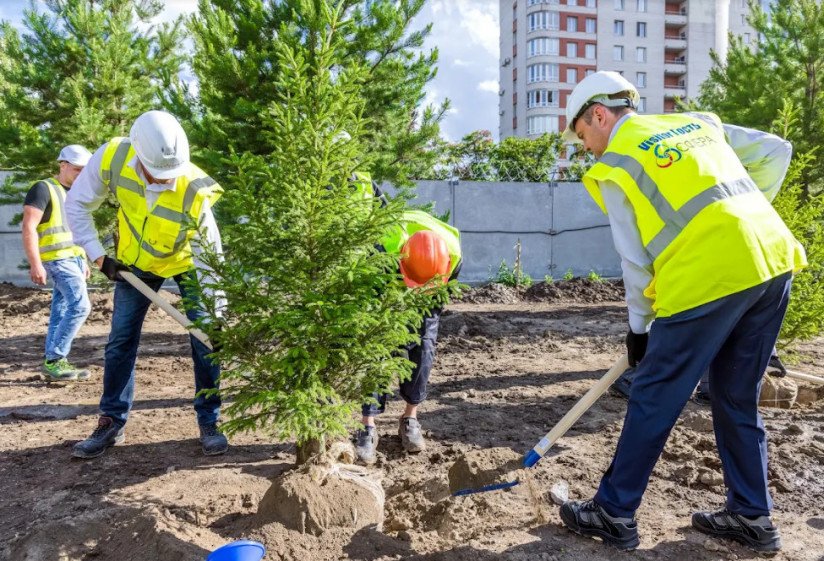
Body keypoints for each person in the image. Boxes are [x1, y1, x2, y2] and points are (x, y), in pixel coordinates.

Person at [557, 71, 806, 553]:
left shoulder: (617, 164)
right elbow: (778, 150)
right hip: (771, 260)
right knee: (735, 396)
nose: (586, 148)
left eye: (583, 135)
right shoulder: (697, 124)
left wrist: (639, 331)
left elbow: (634, 260)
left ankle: (613, 511)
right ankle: (751, 516)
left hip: (707, 276)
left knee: (654, 393)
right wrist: (740, 225)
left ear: (599, 115)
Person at [65, 110, 228, 459]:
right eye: (161, 174)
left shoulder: (194, 188)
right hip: (134, 265)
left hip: (186, 262)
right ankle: (112, 422)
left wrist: (217, 314)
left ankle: (209, 420)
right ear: (140, 155)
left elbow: (210, 256)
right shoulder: (113, 156)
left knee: (205, 341)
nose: (170, 180)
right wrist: (98, 256)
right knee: (120, 341)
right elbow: (77, 204)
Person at [354, 208, 462, 465]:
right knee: (377, 348)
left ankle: (410, 417)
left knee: (424, 346)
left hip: (432, 284)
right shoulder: (382, 249)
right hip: (385, 290)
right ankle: (367, 425)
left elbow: (439, 304)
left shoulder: (454, 254)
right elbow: (370, 300)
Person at [22, 145, 93, 381]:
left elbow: (77, 228)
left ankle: (52, 362)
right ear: (62, 165)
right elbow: (28, 227)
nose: (81, 175)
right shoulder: (43, 189)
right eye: (77, 169)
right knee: (81, 306)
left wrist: (83, 258)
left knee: (60, 311)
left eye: (85, 171)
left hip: (73, 259)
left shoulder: (77, 193)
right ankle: (55, 359)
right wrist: (35, 263)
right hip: (56, 259)